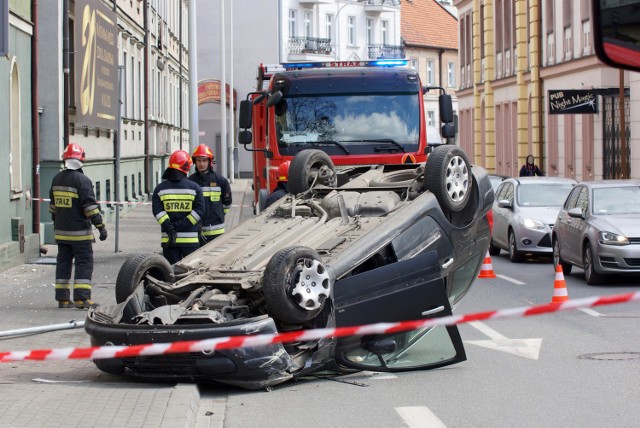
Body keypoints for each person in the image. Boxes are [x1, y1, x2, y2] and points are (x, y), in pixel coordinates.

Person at [49, 143, 107, 309]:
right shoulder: (83, 181)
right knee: (84, 263)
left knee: (63, 264)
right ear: (81, 159)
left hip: (61, 233)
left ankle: (62, 298)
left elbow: (53, 207)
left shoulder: (56, 179)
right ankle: (82, 298)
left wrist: (57, 222)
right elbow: (90, 208)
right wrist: (101, 227)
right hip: (80, 233)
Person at [152, 150, 205, 264]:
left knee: (171, 273)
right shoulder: (195, 188)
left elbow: (158, 213)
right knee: (191, 273)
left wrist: (170, 227)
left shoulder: (159, 189)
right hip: (190, 239)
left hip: (169, 239)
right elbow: (199, 211)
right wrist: (180, 225)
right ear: (185, 167)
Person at [188, 144, 232, 245]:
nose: (201, 164)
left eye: (204, 160)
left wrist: (218, 213)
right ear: (195, 162)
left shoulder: (221, 181)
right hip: (196, 231)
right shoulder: (190, 182)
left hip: (216, 231)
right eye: (199, 160)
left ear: (210, 162)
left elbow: (227, 203)